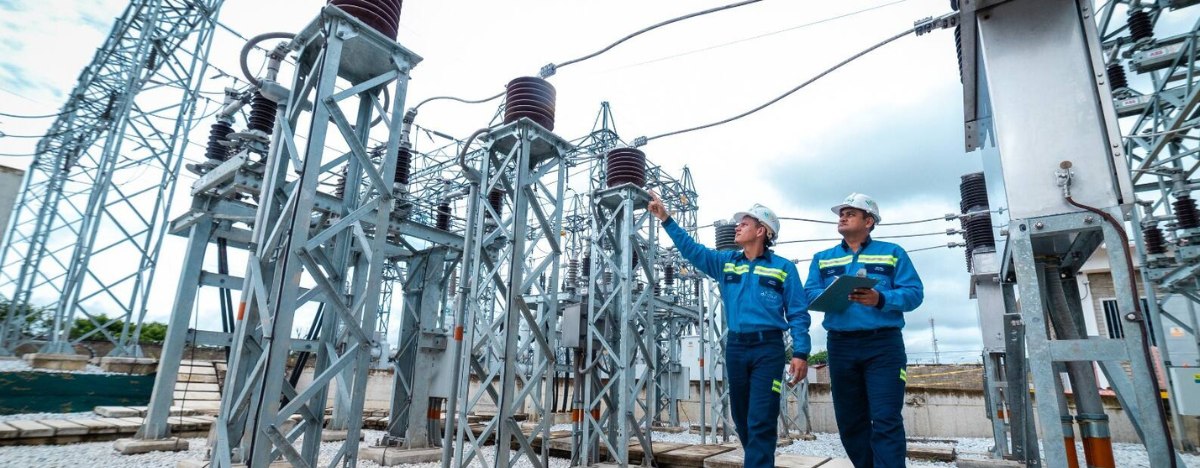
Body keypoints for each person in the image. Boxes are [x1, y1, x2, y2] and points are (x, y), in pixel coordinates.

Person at [647, 192, 810, 468]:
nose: (737, 227)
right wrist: (666, 218)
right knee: (742, 417)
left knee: (761, 417)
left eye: (744, 223)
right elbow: (692, 250)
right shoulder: (727, 263)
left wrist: (801, 351)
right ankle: (759, 461)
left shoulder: (783, 269)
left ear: (762, 231)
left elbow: (797, 312)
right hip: (736, 347)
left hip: (767, 349)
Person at [805, 193, 924, 468]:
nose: (842, 217)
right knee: (850, 420)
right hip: (840, 346)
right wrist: (832, 293)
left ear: (868, 221)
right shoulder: (822, 259)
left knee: (885, 417)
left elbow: (914, 293)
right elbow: (808, 293)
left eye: (851, 213)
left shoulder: (893, 253)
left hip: (883, 345)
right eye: (841, 214)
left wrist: (880, 299)